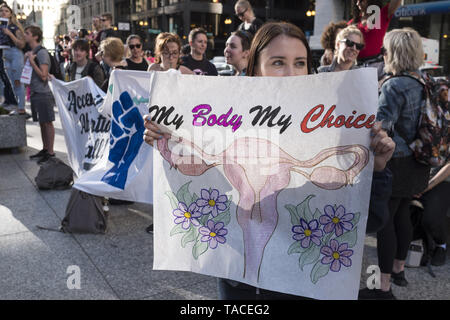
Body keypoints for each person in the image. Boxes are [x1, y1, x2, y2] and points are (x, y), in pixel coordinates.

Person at [143, 21, 396, 300]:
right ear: (255, 69)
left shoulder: (333, 130)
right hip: (237, 283)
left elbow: (369, 221)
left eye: (299, 63)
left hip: (300, 288)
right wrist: (167, 144)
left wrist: (378, 169)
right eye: (278, 62)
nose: (291, 73)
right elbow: (197, 197)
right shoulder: (226, 128)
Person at [358, 28, 431, 300]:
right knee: (402, 214)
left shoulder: (393, 85)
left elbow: (382, 129)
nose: (383, 53)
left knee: (384, 223)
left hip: (396, 161)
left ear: (394, 53)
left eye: (386, 49)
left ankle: (382, 288)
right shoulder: (424, 80)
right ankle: (399, 270)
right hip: (419, 161)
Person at [24, 25, 56, 164]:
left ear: (35, 36)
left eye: (27, 33)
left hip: (43, 92)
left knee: (47, 123)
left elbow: (44, 76)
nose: (25, 35)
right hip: (35, 92)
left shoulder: (41, 53)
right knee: (42, 123)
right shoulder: (32, 51)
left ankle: (50, 152)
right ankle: (45, 149)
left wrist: (31, 62)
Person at [0, 4, 26, 116]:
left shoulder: (15, 27)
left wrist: (10, 34)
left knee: (17, 81)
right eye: (1, 11)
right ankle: (12, 104)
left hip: (15, 53)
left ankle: (21, 108)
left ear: (10, 14)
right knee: (8, 82)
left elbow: (21, 44)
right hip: (4, 54)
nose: (3, 13)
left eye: (6, 11)